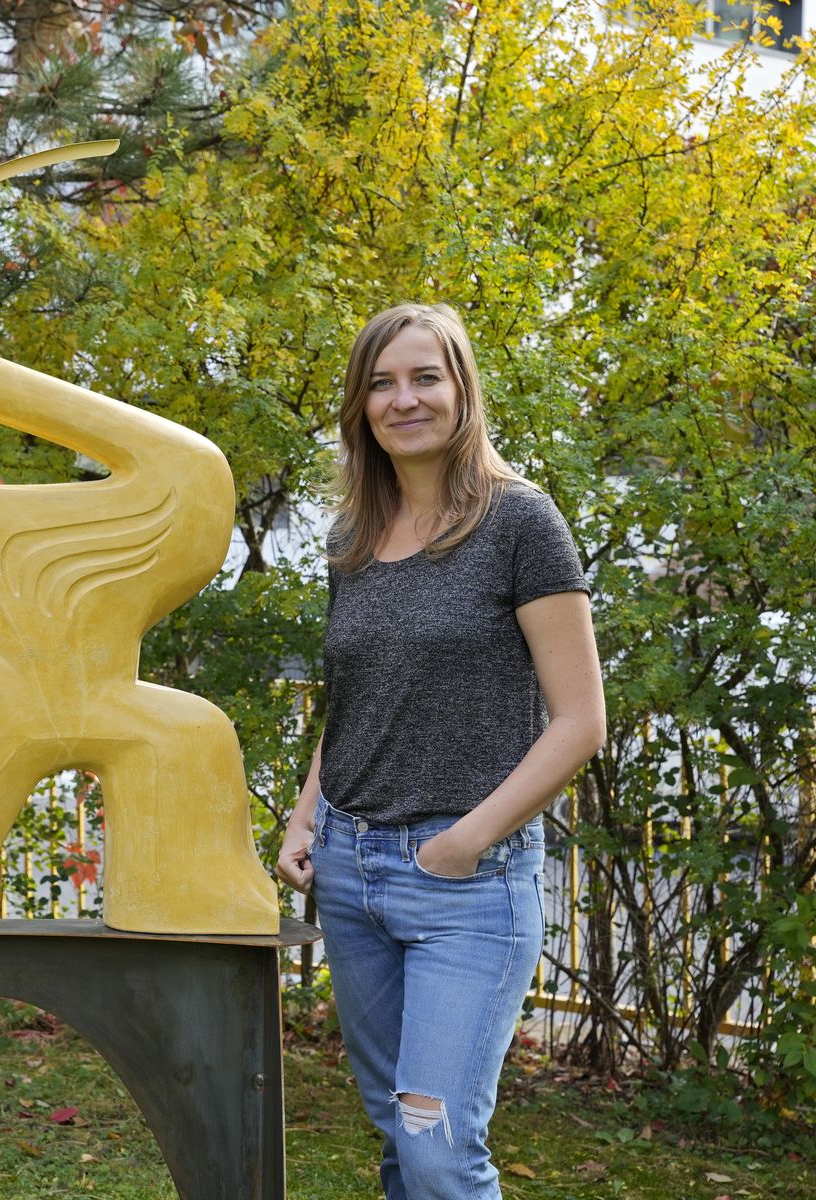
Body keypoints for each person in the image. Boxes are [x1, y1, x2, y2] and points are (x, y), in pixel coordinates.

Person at [275, 302, 605, 1200]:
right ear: (361, 406)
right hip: (350, 871)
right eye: (381, 384)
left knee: (436, 1147)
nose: (404, 399)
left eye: (426, 377)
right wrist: (307, 817)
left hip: (465, 885)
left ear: (463, 389)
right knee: (399, 1131)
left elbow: (581, 721)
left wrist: (462, 844)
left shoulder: (520, 522)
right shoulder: (353, 538)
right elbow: (357, 702)